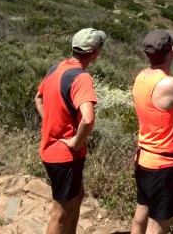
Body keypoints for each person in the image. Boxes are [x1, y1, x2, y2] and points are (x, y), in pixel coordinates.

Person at [35, 27, 106, 234]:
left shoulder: (55, 69)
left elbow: (38, 99)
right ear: (94, 53)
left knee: (78, 195)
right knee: (60, 212)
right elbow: (87, 117)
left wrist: (50, 122)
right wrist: (75, 141)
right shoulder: (81, 78)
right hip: (65, 155)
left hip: (52, 150)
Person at [131, 29, 173, 234]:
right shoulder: (169, 84)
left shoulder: (141, 77)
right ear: (172, 51)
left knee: (141, 213)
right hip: (163, 164)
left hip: (144, 158)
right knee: (159, 224)